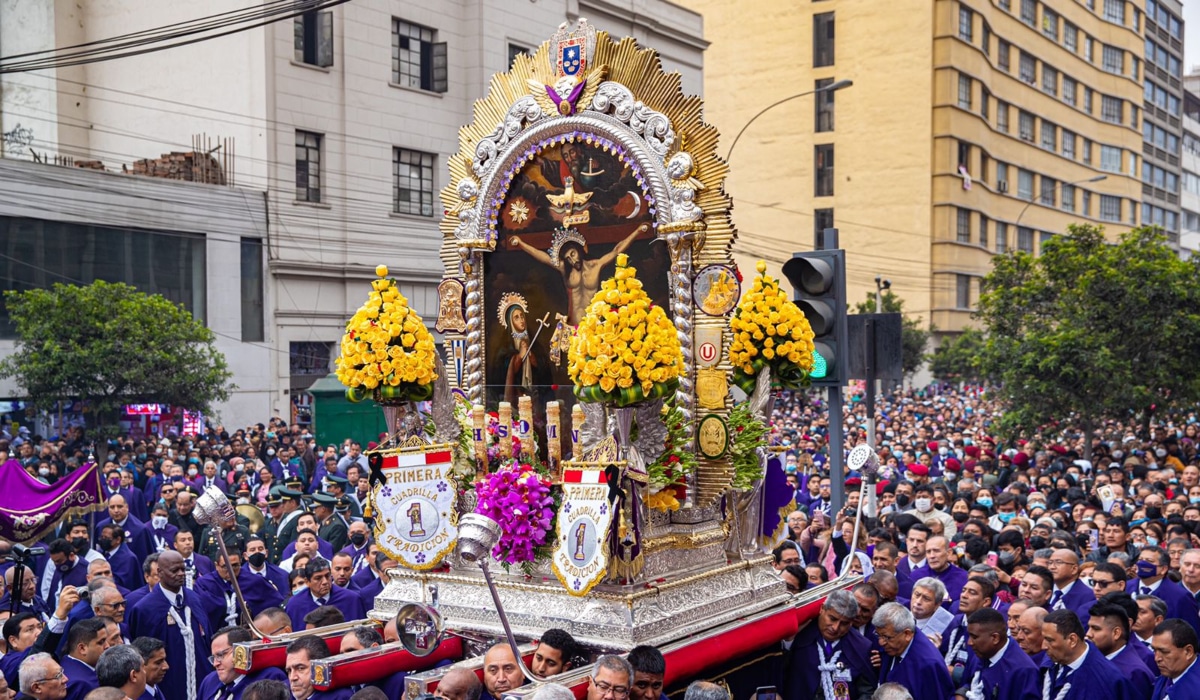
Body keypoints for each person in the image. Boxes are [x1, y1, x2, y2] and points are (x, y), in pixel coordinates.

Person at [508, 225, 645, 325]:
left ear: (579, 250)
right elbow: (543, 257)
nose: (572, 260)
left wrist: (637, 231)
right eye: (568, 258)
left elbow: (616, 251)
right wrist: (521, 244)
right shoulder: (565, 269)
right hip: (573, 324)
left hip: (595, 323)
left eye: (573, 254)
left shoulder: (595, 265)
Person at [126, 551, 209, 700]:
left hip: (200, 678)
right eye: (174, 570)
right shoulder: (144, 609)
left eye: (183, 569)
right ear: (160, 572)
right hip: (168, 683)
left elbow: (207, 638)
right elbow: (140, 655)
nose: (180, 574)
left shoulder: (194, 599)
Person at [784, 589, 876, 700]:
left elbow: (867, 691)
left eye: (844, 623)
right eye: (832, 619)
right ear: (822, 609)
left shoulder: (862, 647)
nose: (835, 627)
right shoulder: (799, 636)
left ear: (852, 622)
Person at [1039, 609, 1132, 700]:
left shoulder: (1108, 680)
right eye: (1043, 639)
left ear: (1072, 640)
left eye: (1050, 640)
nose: (1043, 646)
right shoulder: (1048, 665)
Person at [873, 602, 954, 700]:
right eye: (878, 635)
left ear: (907, 634)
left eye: (886, 637)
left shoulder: (928, 665)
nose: (881, 642)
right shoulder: (893, 644)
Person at [955, 608, 1038, 700]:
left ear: (995, 638)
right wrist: (961, 694)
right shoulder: (980, 652)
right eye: (969, 636)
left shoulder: (1024, 671)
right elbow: (968, 682)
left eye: (974, 637)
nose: (969, 642)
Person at [195, 549, 283, 634]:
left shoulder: (254, 581)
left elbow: (275, 606)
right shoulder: (205, 584)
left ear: (241, 563)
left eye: (235, 565)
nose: (231, 570)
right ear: (217, 565)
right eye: (226, 566)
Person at [1086, 600, 1154, 700]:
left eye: (1096, 629)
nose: (1088, 634)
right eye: (1089, 627)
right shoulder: (1091, 660)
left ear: (1116, 633)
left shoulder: (1135, 673)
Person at [199, 627, 287, 700]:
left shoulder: (270, 677)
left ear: (242, 650)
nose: (215, 664)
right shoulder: (210, 680)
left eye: (220, 655)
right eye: (213, 658)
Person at [1129, 547, 1200, 636]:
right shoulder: (1125, 588)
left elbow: (1193, 634)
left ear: (1163, 569)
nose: (1143, 564)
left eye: (1149, 561)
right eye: (1140, 560)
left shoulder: (1181, 596)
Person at [283, 558, 364, 632]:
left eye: (327, 576)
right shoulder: (294, 605)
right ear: (307, 582)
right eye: (318, 578)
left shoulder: (351, 599)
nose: (325, 582)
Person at [939, 577, 995, 674]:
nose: (964, 595)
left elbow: (982, 672)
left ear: (986, 602)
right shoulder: (956, 621)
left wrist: (955, 673)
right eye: (963, 591)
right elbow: (943, 651)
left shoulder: (989, 631)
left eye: (972, 593)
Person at [336, 627, 404, 697]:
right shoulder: (346, 685)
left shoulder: (400, 681)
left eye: (351, 651)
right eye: (342, 654)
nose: (343, 658)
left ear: (374, 649)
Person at [284, 636, 351, 700]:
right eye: (289, 671)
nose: (292, 678)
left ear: (321, 668)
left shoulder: (341, 697)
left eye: (300, 668)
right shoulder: (283, 694)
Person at [1150, 619, 1199, 700]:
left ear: (1188, 652)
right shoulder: (1165, 678)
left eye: (1164, 652)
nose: (1156, 658)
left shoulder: (1196, 691)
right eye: (1154, 650)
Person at [910, 537, 967, 606]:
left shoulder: (963, 577)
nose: (932, 556)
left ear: (948, 553)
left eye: (936, 551)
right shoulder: (916, 576)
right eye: (928, 552)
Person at [60, 619, 106, 700]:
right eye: (101, 642)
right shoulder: (80, 684)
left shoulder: (66, 661)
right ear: (82, 648)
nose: (107, 646)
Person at [1048, 549, 1093, 627]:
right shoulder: (1046, 590)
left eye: (1058, 562)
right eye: (1050, 562)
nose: (1052, 567)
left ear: (1074, 569)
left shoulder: (1088, 596)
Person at [95, 525, 140, 593]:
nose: (103, 540)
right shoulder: (102, 553)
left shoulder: (128, 558)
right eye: (102, 537)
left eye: (106, 538)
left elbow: (122, 582)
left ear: (118, 540)